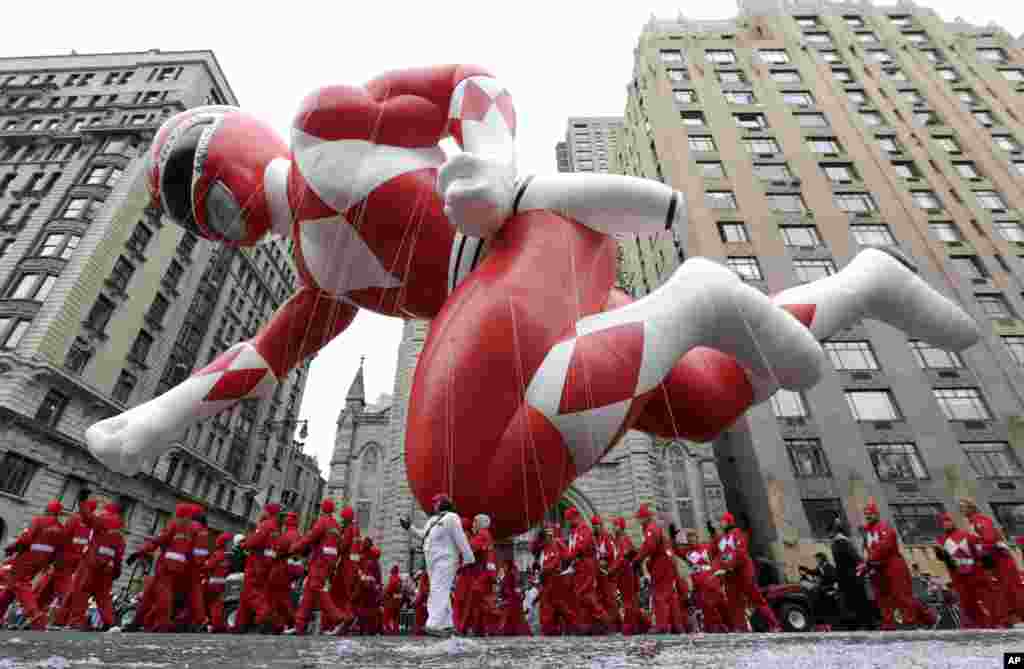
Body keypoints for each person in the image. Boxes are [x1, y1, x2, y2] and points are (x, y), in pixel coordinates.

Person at [90, 65, 981, 550]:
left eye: (203, 192)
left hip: (529, 244)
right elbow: (259, 357)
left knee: (461, 484)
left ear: (230, 146)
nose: (215, 218)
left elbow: (469, 85)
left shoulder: (321, 125)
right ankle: (864, 283)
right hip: (541, 295)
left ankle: (700, 294)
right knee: (704, 398)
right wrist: (154, 418)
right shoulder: (320, 278)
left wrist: (489, 157)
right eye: (199, 222)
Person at [402, 494, 474, 636]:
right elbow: (423, 535)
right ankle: (447, 624)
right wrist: (410, 527)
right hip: (432, 563)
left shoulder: (452, 518)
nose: (434, 505)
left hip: (446, 560)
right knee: (440, 590)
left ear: (445, 503)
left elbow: (460, 539)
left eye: (437, 502)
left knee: (437, 590)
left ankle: (433, 623)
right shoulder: (432, 520)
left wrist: (468, 558)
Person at [859, 499, 936, 630]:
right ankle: (888, 623)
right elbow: (868, 551)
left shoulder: (884, 528)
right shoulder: (867, 533)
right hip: (878, 568)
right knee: (883, 598)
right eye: (866, 514)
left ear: (877, 514)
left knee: (902, 596)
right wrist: (866, 565)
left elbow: (885, 546)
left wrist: (868, 561)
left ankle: (915, 620)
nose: (868, 516)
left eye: (870, 513)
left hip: (892, 565)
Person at [130, 502, 198, 632]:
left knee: (163, 596)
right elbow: (192, 551)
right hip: (180, 566)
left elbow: (159, 540)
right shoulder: (192, 529)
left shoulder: (174, 524)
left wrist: (140, 552)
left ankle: (162, 625)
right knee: (148, 595)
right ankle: (136, 622)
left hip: (166, 565)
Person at [1, 501, 67, 630]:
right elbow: (59, 551)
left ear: (47, 509)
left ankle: (35, 615)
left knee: (20, 583)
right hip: (41, 562)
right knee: (11, 589)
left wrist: (11, 548)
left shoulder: (39, 520)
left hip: (27, 558)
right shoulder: (61, 528)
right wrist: (49, 563)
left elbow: (26, 539)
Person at [35, 493, 97, 629]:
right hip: (77, 561)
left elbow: (63, 538)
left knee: (53, 589)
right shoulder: (93, 524)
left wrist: (51, 558)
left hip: (63, 559)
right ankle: (53, 618)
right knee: (58, 589)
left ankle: (36, 616)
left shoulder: (74, 519)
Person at [961, 497, 1024, 627]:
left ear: (971, 507)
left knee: (1011, 587)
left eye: (963, 506)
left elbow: (989, 539)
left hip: (1000, 558)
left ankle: (1018, 615)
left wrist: (982, 552)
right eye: (960, 507)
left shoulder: (981, 521)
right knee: (1001, 589)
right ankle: (1011, 617)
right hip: (992, 559)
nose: (961, 509)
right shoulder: (972, 523)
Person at [288, 499, 347, 635]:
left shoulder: (322, 522)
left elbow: (310, 537)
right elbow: (340, 545)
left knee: (316, 588)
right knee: (309, 593)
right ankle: (299, 625)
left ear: (323, 509)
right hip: (329, 562)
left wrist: (295, 547)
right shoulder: (336, 526)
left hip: (320, 561)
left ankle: (338, 618)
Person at [63, 512, 125, 630]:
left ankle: (76, 621)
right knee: (103, 598)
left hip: (91, 568)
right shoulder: (120, 538)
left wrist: (82, 504)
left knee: (82, 593)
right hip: (107, 572)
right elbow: (118, 558)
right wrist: (116, 573)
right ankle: (111, 623)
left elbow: (87, 519)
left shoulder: (99, 532)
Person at [934, 511, 992, 629]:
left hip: (974, 573)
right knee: (966, 602)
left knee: (982, 600)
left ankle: (989, 623)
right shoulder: (941, 540)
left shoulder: (967, 536)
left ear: (954, 522)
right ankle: (972, 625)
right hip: (957, 576)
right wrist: (939, 553)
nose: (946, 524)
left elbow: (980, 554)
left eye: (948, 521)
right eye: (943, 522)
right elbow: (944, 559)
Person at [632, 505, 683, 634]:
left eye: (639, 518)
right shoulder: (654, 528)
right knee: (670, 595)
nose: (638, 521)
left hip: (662, 563)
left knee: (659, 594)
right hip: (667, 561)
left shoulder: (650, 529)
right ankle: (677, 626)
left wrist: (637, 560)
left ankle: (662, 626)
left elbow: (649, 546)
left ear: (645, 518)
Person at [233, 502, 281, 634]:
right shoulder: (276, 528)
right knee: (246, 595)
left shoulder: (266, 525)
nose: (262, 512)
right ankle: (239, 625)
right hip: (266, 564)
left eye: (264, 510)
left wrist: (243, 544)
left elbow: (255, 541)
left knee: (250, 592)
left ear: (269, 512)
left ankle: (264, 614)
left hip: (256, 563)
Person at [673, 528, 730, 633]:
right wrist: (674, 536)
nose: (691, 540)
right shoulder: (686, 552)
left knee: (719, 603)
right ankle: (713, 628)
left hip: (712, 580)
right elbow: (675, 549)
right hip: (699, 584)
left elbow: (719, 546)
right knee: (706, 606)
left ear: (697, 538)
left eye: (693, 537)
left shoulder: (706, 547)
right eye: (688, 538)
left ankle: (727, 625)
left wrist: (714, 534)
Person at [829, 516, 875, 630]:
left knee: (854, 602)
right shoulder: (842, 542)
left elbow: (849, 559)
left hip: (847, 577)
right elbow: (855, 557)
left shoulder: (838, 543)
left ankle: (861, 625)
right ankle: (867, 624)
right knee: (859, 601)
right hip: (851, 576)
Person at [609, 517, 643, 635]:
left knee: (628, 601)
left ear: (621, 527)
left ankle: (629, 627)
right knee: (629, 601)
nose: (613, 527)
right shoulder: (619, 540)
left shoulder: (623, 540)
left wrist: (612, 570)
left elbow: (623, 557)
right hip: (623, 573)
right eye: (613, 525)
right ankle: (637, 625)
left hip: (626, 573)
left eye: (616, 525)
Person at [591, 516, 621, 634]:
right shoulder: (594, 538)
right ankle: (604, 625)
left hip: (608, 573)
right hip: (599, 574)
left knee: (610, 600)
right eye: (593, 526)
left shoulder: (607, 538)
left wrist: (605, 560)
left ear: (601, 526)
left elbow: (613, 553)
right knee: (600, 599)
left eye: (596, 525)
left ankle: (614, 625)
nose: (595, 528)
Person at [203, 533, 234, 633]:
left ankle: (215, 625)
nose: (231, 544)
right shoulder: (227, 556)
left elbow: (208, 567)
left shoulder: (218, 554)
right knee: (217, 606)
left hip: (213, 584)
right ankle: (217, 625)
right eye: (229, 542)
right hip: (221, 584)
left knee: (214, 606)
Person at [382, 565, 403, 635]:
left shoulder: (392, 579)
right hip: (397, 601)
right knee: (396, 617)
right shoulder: (399, 579)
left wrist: (383, 594)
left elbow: (389, 589)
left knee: (387, 617)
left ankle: (388, 631)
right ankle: (396, 630)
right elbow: (401, 591)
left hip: (391, 601)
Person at [412, 570, 429, 635]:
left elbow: (421, 594)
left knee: (419, 619)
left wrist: (415, 603)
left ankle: (419, 631)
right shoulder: (427, 583)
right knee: (423, 619)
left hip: (420, 604)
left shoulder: (423, 584)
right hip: (424, 603)